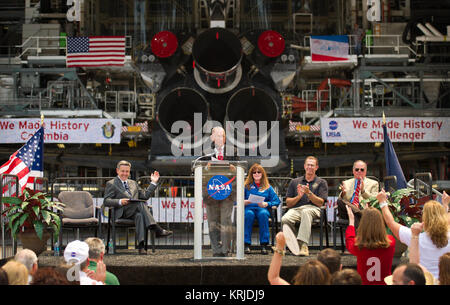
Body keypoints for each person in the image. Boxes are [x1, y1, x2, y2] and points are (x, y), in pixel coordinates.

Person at [378, 189, 450, 279]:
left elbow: (391, 223)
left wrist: (383, 202)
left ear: (424, 218)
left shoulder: (415, 237)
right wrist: (445, 206)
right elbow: (445, 221)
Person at [104, 160, 172, 255]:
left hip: (134, 211)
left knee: (139, 215)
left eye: (127, 171)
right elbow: (106, 201)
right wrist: (120, 201)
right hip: (121, 212)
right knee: (140, 204)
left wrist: (153, 182)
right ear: (117, 171)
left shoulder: (133, 183)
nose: (125, 173)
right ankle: (156, 229)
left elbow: (144, 196)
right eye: (123, 171)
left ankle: (141, 246)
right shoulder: (111, 183)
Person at [281, 156, 328, 256]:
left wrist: (309, 193)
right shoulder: (294, 182)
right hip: (296, 209)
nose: (310, 167)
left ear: (316, 167)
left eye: (312, 165)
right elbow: (288, 203)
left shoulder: (321, 182)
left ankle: (303, 246)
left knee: (306, 212)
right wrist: (299, 196)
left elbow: (320, 203)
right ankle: (294, 245)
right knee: (285, 219)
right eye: (308, 165)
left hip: (314, 209)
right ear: (304, 166)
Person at [204, 126, 238, 257]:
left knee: (225, 220)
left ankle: (225, 249)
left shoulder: (233, 151)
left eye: (222, 136)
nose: (220, 138)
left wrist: (233, 167)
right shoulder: (206, 152)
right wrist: (206, 168)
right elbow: (199, 169)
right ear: (212, 137)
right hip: (211, 192)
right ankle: (216, 249)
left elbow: (240, 168)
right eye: (217, 136)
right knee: (212, 221)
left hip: (227, 193)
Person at [345, 205, 396, 285]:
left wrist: (351, 221)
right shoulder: (391, 242)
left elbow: (349, 240)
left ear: (363, 224)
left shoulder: (358, 246)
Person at [243, 163, 280, 255]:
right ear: (251, 174)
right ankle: (246, 244)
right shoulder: (246, 186)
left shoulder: (267, 187)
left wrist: (267, 203)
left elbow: (277, 201)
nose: (256, 174)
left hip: (261, 209)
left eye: (259, 172)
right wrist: (245, 201)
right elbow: (236, 201)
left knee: (263, 214)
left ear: (262, 173)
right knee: (248, 215)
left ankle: (264, 245)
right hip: (249, 208)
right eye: (254, 172)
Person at [337, 160, 379, 227]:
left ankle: (357, 215)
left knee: (355, 215)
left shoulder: (373, 183)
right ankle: (358, 213)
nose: (359, 171)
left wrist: (363, 191)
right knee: (339, 201)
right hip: (349, 209)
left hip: (364, 209)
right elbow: (342, 200)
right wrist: (343, 193)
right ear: (353, 171)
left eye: (362, 170)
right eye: (357, 169)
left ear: (365, 171)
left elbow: (374, 200)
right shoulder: (346, 183)